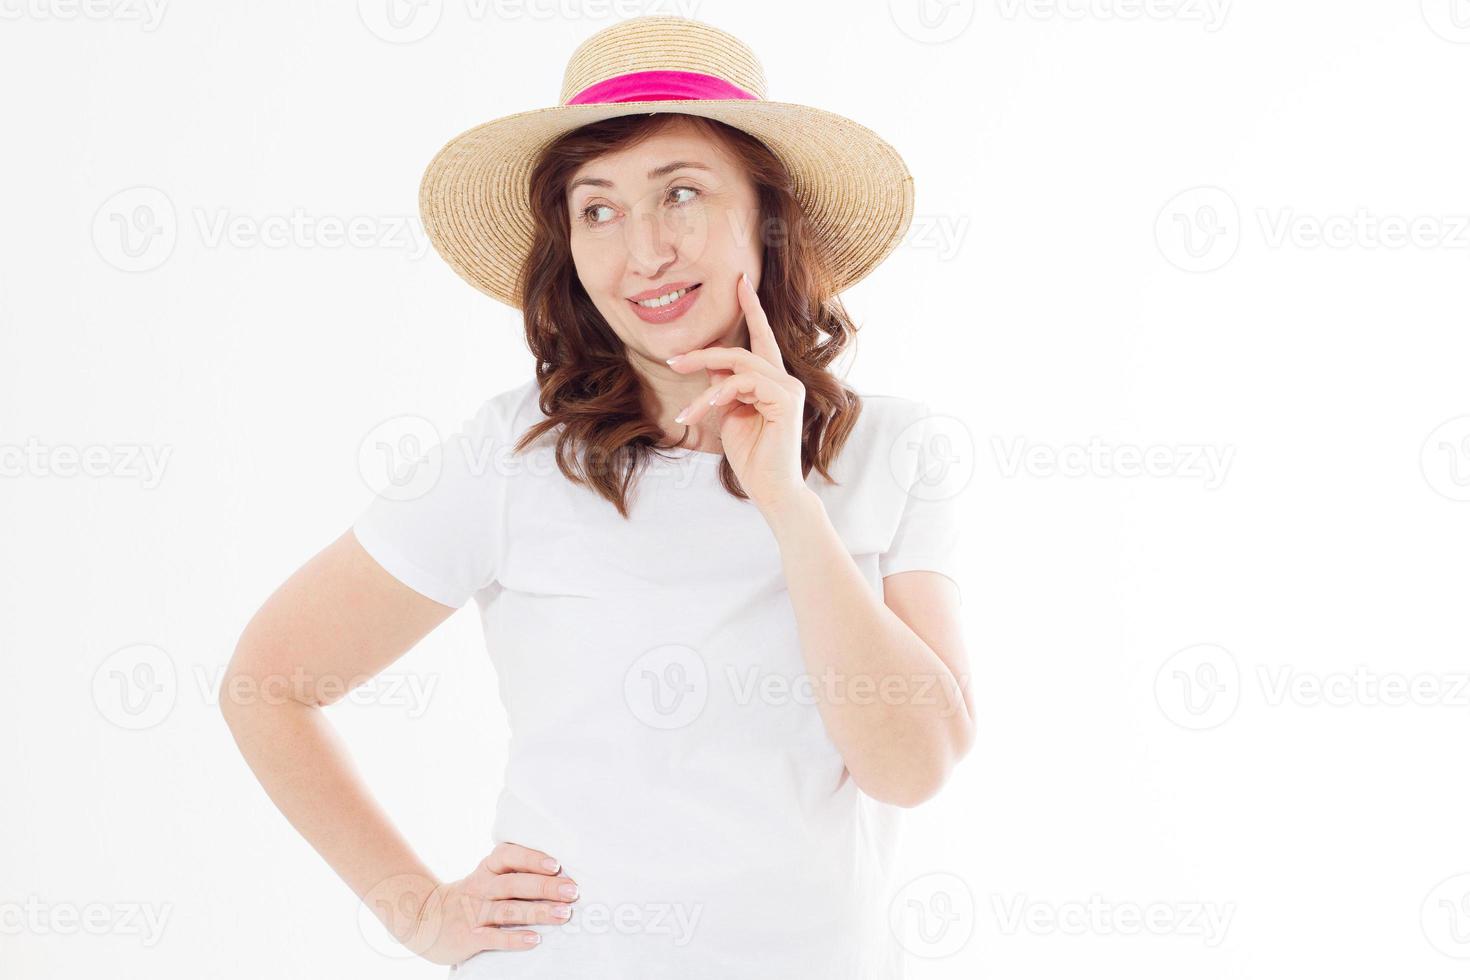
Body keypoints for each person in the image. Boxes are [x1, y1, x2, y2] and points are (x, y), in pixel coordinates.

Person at [221, 15, 972, 979]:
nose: (644, 251)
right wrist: (420, 913)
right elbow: (267, 685)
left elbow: (911, 770)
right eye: (598, 209)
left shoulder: (892, 448)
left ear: (765, 216)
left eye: (683, 193)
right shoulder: (513, 451)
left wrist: (787, 501)